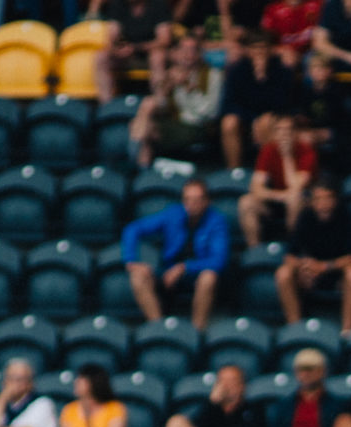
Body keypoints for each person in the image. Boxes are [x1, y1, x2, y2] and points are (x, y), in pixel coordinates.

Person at [122, 178, 230, 330]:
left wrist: (184, 267)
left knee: (209, 277)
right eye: (187, 200)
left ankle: (197, 331)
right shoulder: (173, 214)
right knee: (137, 276)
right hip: (168, 272)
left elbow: (219, 260)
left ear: (207, 201)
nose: (191, 205)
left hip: (196, 275)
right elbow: (133, 229)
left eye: (197, 200)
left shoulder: (217, 221)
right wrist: (131, 260)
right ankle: (158, 327)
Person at [275, 179, 351, 329]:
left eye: (327, 198)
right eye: (318, 199)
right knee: (283, 273)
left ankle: (347, 330)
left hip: (336, 272)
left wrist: (324, 266)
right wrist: (304, 266)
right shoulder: (306, 217)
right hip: (310, 273)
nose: (323, 203)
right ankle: (294, 327)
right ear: (312, 201)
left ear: (335, 199)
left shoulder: (346, 216)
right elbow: (289, 256)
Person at [129, 37, 223, 168]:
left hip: (197, 126)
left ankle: (138, 166)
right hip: (174, 123)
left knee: (145, 131)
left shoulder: (213, 75)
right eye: (184, 50)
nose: (188, 54)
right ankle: (142, 169)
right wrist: (166, 87)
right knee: (147, 107)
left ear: (200, 53)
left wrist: (188, 87)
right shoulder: (172, 73)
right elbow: (162, 106)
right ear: (176, 53)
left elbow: (210, 112)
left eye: (193, 50)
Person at [220, 33, 301, 170]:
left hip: (273, 117)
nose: (259, 52)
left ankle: (265, 171)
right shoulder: (237, 70)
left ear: (271, 49)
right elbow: (228, 105)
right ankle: (234, 171)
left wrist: (263, 78)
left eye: (263, 48)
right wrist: (252, 120)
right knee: (228, 123)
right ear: (248, 50)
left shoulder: (282, 70)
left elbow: (284, 103)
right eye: (255, 48)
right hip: (245, 118)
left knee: (266, 122)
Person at [239, 115, 315, 247]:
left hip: (303, 202)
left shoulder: (307, 151)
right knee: (246, 202)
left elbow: (296, 187)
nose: (283, 135)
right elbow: (256, 187)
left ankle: (294, 249)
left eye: (288, 130)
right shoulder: (268, 150)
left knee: (294, 199)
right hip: (277, 200)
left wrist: (287, 156)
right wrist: (279, 196)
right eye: (279, 130)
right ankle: (255, 251)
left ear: (295, 133)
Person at [96, 0, 175, 102]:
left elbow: (164, 40)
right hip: (126, 54)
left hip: (150, 51)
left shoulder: (158, 5)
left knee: (158, 56)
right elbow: (112, 36)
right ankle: (107, 106)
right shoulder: (118, 4)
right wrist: (116, 50)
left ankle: (160, 104)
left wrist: (136, 47)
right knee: (101, 56)